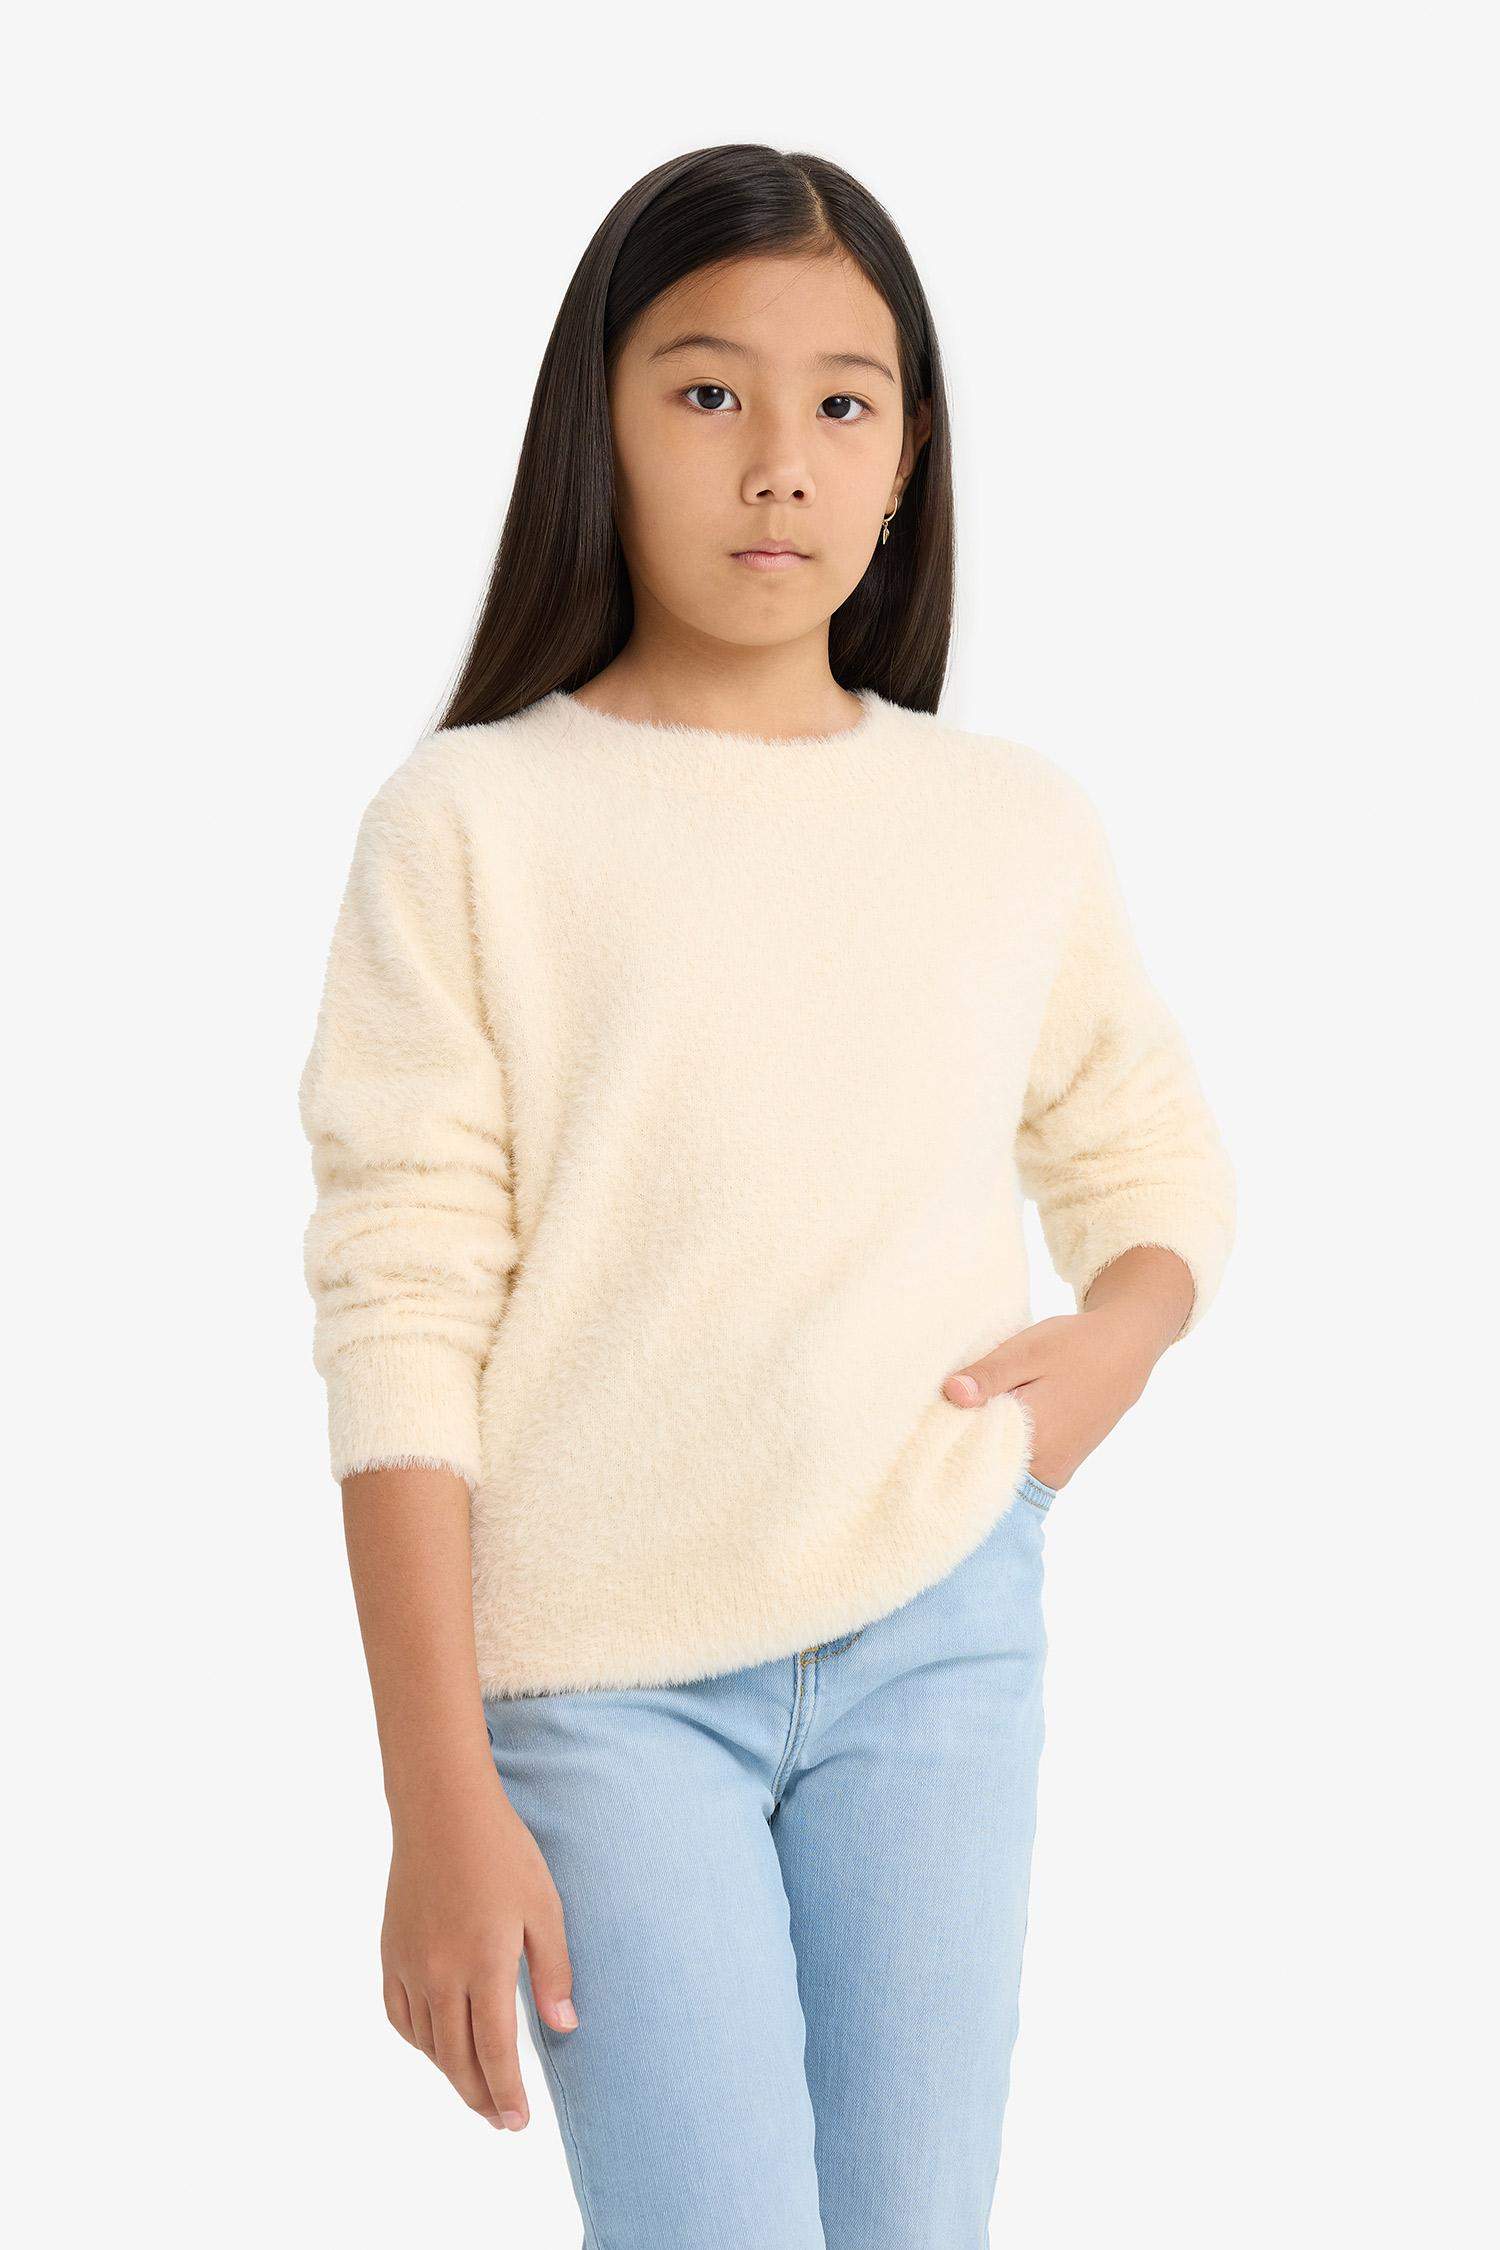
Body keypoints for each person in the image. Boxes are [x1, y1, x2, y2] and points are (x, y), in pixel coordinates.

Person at [298, 142, 1236, 2250]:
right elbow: (400, 1304)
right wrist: (434, 1792)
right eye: (708, 390)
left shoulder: (1006, 823)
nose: (780, 460)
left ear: (910, 454)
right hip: (600, 1674)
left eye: (845, 400)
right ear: (601, 426)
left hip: (940, 1632)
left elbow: (1152, 1153)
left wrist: (1112, 1349)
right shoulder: (471, 821)